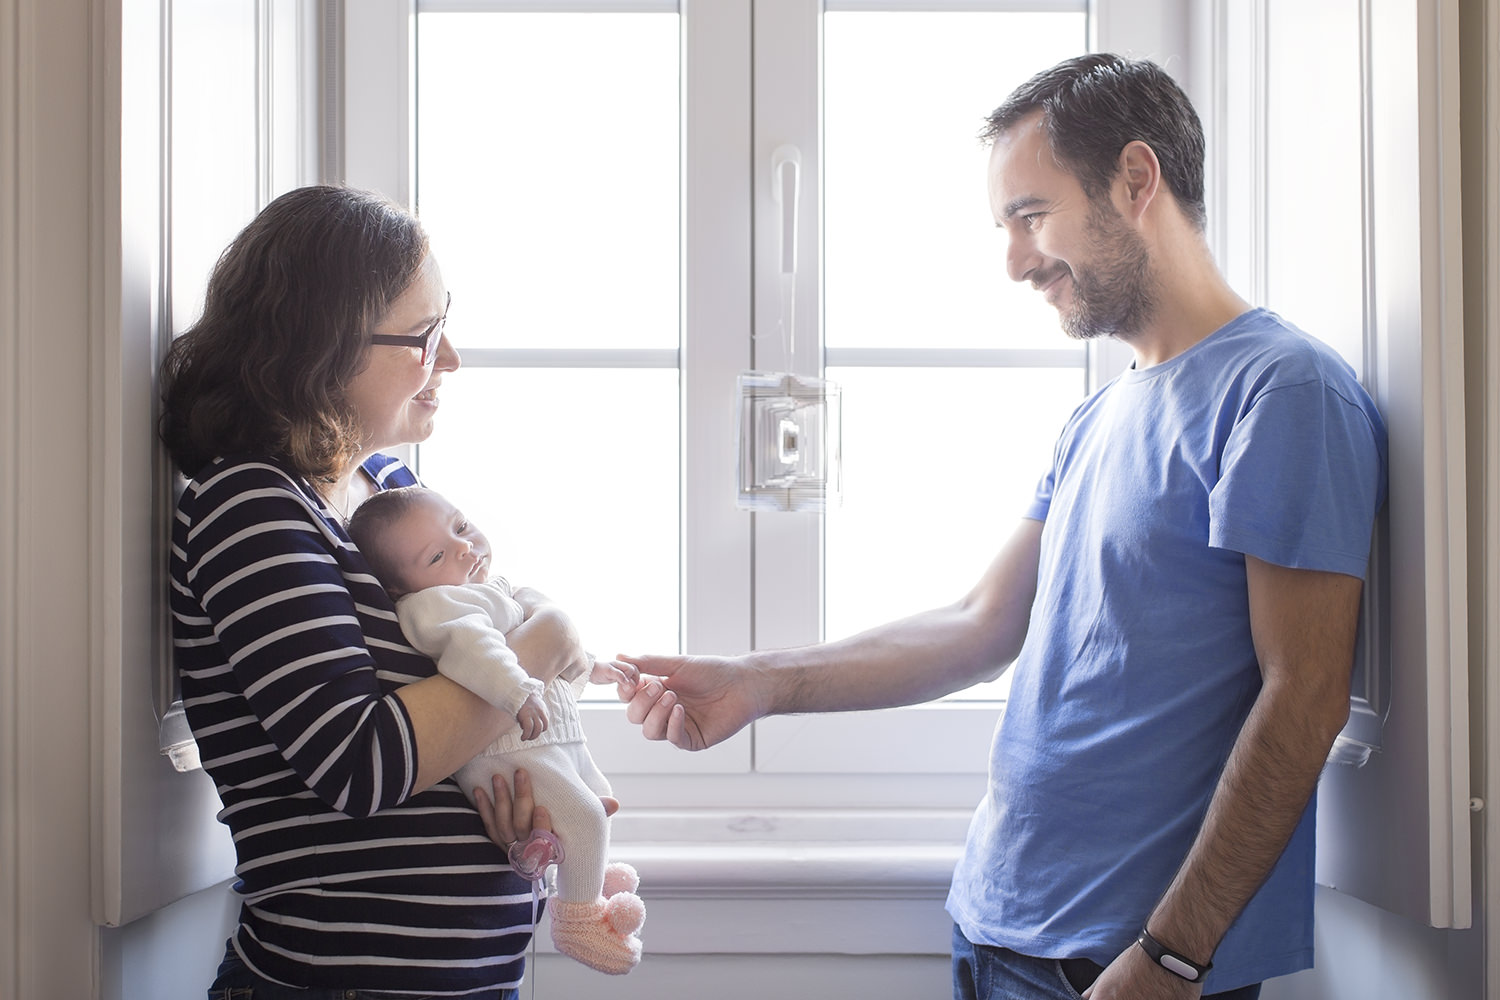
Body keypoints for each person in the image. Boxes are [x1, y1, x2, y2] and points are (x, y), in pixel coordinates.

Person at [621, 53, 1388, 1000]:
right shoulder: (1098, 415)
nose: (1017, 260)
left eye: (1031, 215)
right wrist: (757, 683)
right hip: (992, 932)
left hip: (1124, 962)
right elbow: (980, 625)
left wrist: (1174, 955)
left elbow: (1304, 695)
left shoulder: (1284, 391)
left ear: (1136, 180)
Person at [159, 184, 631, 998]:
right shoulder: (252, 504)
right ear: (322, 346)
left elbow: (443, 730)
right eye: (424, 335)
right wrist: (540, 645)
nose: (449, 359)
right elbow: (363, 763)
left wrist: (509, 807)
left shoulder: (382, 494)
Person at [346, 484, 647, 974]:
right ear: (400, 587)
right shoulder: (436, 605)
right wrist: (516, 692)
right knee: (586, 815)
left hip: (544, 737)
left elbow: (552, 639)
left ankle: (594, 877)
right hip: (506, 748)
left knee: (599, 796)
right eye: (439, 553)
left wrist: (592, 666)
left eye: (461, 526)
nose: (466, 546)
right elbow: (475, 649)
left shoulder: (493, 587)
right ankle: (578, 920)